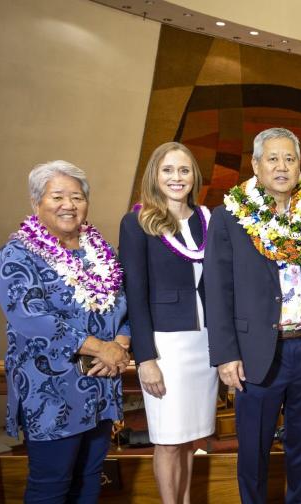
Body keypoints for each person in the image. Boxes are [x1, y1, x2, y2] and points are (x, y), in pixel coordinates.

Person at [205, 128, 301, 503]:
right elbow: (217, 290)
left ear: (299, 166)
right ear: (256, 165)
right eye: (273, 158)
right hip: (254, 353)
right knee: (254, 450)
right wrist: (226, 354)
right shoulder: (229, 216)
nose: (282, 167)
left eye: (290, 159)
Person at [0, 161, 131, 502]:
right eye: (57, 196)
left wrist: (119, 343)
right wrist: (99, 348)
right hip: (52, 392)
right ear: (36, 202)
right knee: (52, 484)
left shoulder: (99, 251)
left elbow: (123, 304)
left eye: (77, 196)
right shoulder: (17, 254)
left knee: (90, 478)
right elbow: (30, 317)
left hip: (101, 386)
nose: (69, 205)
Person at [118, 142, 218, 504]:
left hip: (204, 344)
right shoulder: (137, 222)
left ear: (194, 176)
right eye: (168, 170)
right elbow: (135, 294)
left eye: (184, 170)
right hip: (166, 347)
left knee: (192, 440)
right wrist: (145, 359)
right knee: (168, 440)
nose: (177, 178)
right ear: (154, 176)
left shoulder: (208, 219)